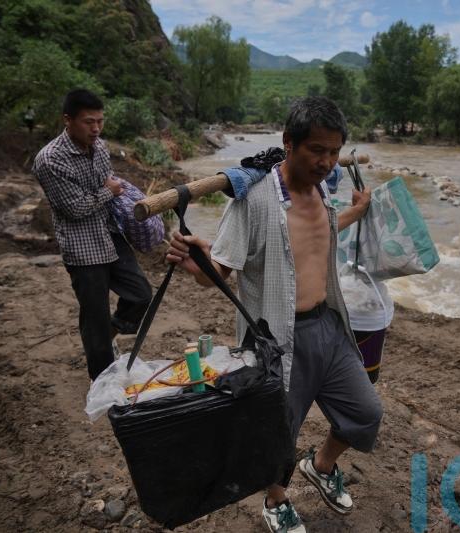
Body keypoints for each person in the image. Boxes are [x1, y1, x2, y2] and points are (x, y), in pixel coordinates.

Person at [167, 96, 383, 533]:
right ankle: (276, 499)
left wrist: (356, 212)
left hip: (328, 324)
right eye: (316, 150)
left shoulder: (324, 187)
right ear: (288, 143)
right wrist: (198, 264)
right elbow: (218, 271)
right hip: (277, 339)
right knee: (276, 432)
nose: (326, 161)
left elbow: (317, 232)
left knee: (365, 412)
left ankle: (320, 467)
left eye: (333, 151)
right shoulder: (254, 198)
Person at [33, 89, 152, 381]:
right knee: (94, 315)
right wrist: (107, 192)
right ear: (68, 120)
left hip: (110, 235)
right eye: (89, 122)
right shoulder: (49, 160)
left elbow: (108, 180)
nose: (96, 128)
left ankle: (110, 332)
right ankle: (102, 381)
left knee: (141, 295)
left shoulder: (99, 147)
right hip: (82, 247)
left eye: (100, 121)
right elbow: (74, 208)